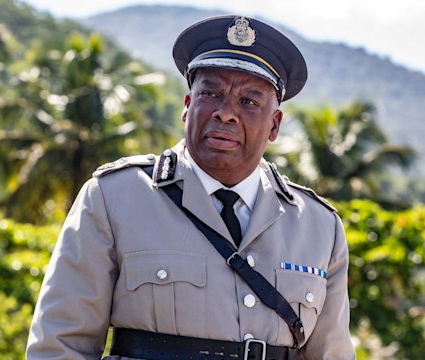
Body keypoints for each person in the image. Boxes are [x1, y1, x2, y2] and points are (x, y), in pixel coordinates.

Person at [26, 15, 356, 360]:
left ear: (274, 125)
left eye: (249, 101)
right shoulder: (115, 197)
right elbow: (61, 345)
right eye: (211, 93)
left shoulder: (319, 227)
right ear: (187, 107)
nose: (226, 113)